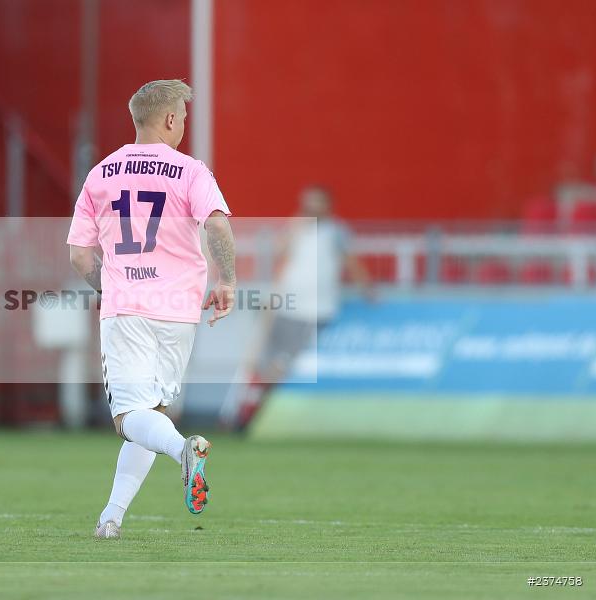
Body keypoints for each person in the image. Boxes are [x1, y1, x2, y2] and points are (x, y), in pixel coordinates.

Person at [67, 79, 236, 539]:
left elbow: (80, 256)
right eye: (182, 116)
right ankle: (111, 518)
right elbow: (217, 225)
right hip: (178, 312)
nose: (183, 124)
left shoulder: (101, 173)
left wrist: (112, 288)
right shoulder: (191, 171)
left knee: (129, 420)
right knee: (150, 414)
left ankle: (184, 450)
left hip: (128, 310)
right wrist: (228, 280)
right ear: (168, 120)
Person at [222, 186, 373, 431]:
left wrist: (366, 287)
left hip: (314, 309)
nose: (311, 208)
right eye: (307, 203)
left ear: (327, 205)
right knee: (261, 360)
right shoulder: (297, 228)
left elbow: (350, 261)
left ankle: (253, 413)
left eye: (316, 203)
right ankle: (242, 413)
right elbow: (280, 255)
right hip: (285, 304)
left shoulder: (335, 232)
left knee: (281, 364)